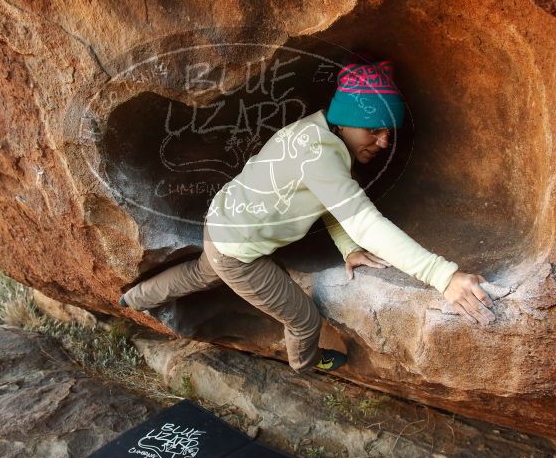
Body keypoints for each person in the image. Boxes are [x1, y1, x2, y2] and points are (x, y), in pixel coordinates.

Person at [119, 58, 495, 374]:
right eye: (374, 130)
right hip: (237, 249)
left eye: (388, 133)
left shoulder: (313, 130)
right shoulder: (323, 156)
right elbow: (365, 221)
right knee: (303, 319)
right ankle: (306, 366)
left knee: (201, 272)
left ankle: (132, 299)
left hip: (220, 221)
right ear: (346, 120)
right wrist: (442, 276)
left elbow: (327, 199)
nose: (383, 142)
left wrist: (348, 248)